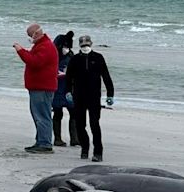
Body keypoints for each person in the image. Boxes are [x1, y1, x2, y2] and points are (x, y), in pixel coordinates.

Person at [65, 35, 114, 161]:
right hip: (78, 96)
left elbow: (106, 76)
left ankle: (98, 153)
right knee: (80, 125)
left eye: (87, 44)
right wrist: (67, 92)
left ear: (91, 44)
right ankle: (85, 148)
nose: (85, 47)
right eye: (82, 45)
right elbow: (68, 78)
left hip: (94, 97)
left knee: (94, 124)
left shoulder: (98, 58)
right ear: (79, 46)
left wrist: (110, 94)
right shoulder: (75, 59)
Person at [13, 23, 58, 154]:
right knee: (38, 115)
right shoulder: (41, 45)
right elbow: (34, 59)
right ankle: (41, 141)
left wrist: (20, 51)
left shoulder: (46, 46)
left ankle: (45, 144)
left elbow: (35, 62)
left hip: (43, 87)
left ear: (36, 34)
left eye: (29, 36)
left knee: (42, 116)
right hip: (38, 87)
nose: (29, 38)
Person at [52, 31, 79, 147]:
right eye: (65, 46)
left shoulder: (71, 56)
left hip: (69, 89)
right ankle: (57, 138)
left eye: (68, 47)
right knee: (58, 113)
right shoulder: (53, 57)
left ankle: (75, 138)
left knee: (74, 113)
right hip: (57, 88)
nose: (66, 49)